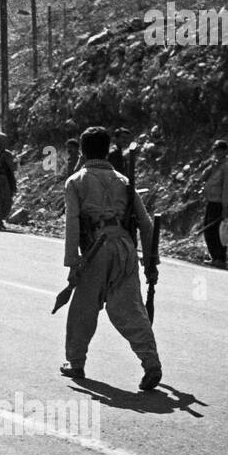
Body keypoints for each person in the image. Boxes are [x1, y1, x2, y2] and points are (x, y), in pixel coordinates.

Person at [60, 126, 162, 391]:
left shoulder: (76, 181)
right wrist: (152, 263)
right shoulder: (124, 181)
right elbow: (146, 224)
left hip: (96, 250)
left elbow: (72, 224)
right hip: (125, 248)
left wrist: (73, 263)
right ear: (107, 150)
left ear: (82, 150)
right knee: (130, 309)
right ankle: (150, 361)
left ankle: (76, 362)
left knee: (83, 308)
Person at [200, 139, 228, 268]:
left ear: (225, 151)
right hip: (211, 202)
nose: (217, 153)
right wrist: (211, 167)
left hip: (219, 204)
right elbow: (203, 178)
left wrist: (225, 207)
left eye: (219, 150)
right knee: (209, 231)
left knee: (218, 232)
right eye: (215, 150)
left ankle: (220, 258)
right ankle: (214, 256)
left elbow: (227, 188)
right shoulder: (216, 165)